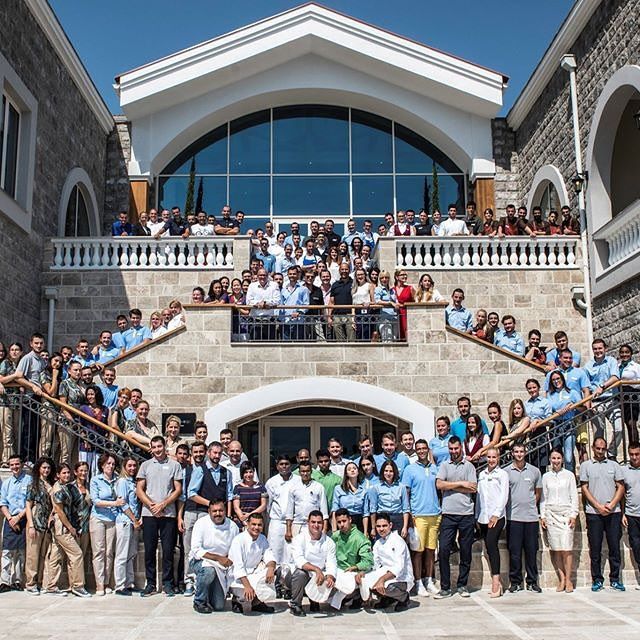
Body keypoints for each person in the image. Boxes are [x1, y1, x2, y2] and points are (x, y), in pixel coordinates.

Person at [136, 435, 183, 597]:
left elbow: (178, 489)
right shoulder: (145, 465)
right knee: (150, 550)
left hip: (168, 514)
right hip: (149, 514)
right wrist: (152, 505)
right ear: (151, 448)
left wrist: (163, 504)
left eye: (159, 446)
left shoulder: (174, 465)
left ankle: (168, 584)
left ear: (164, 447)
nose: (157, 450)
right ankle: (150, 584)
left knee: (168, 551)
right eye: (154, 447)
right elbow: (139, 489)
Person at [579, 437, 625, 592]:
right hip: (594, 513)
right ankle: (597, 579)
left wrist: (611, 504)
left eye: (603, 449)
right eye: (598, 448)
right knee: (595, 548)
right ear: (593, 448)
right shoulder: (586, 466)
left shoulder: (614, 465)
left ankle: (615, 579)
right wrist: (598, 506)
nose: (600, 451)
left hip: (613, 512)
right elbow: (585, 488)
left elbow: (620, 486)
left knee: (614, 547)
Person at [434, 437, 477, 598]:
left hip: (466, 514)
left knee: (465, 551)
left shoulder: (470, 466)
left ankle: (462, 585)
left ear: (461, 448)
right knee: (444, 550)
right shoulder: (445, 465)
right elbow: (439, 485)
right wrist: (462, 484)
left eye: (456, 448)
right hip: (448, 514)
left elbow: (473, 488)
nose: (453, 452)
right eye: (451, 449)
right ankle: (445, 587)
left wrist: (450, 485)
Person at [401, 440, 440, 597]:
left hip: (435, 514)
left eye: (424, 448)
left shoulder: (435, 468)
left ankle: (428, 580)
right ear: (416, 451)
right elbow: (406, 493)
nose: (422, 451)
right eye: (419, 449)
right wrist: (410, 515)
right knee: (418, 551)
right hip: (418, 515)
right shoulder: (410, 469)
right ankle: (417, 582)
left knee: (431, 550)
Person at [189, 499, 239, 613]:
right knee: (208, 572)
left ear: (225, 511)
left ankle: (211, 592)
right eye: (214, 511)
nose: (218, 514)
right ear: (209, 511)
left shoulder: (233, 527)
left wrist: (227, 559)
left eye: (221, 510)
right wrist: (218, 558)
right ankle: (199, 601)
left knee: (219, 606)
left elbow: (235, 548)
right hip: (202, 561)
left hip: (223, 565)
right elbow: (196, 550)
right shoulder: (201, 524)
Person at [540, 449, 579, 593]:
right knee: (556, 548)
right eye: (553, 458)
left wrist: (573, 514)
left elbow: (574, 496)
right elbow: (543, 498)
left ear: (562, 459)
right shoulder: (545, 477)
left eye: (558, 458)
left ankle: (569, 579)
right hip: (551, 514)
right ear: (550, 459)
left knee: (567, 548)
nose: (555, 461)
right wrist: (543, 515)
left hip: (565, 514)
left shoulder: (569, 476)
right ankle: (561, 578)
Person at [505, 443, 542, 593]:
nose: (519, 454)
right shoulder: (506, 471)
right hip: (513, 517)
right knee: (514, 552)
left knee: (531, 551)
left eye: (521, 451)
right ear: (512, 453)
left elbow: (538, 492)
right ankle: (515, 582)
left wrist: (531, 504)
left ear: (525, 453)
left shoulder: (534, 471)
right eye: (516, 452)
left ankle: (532, 582)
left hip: (531, 518)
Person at [359, 512, 414, 611]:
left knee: (388, 587)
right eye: (378, 526)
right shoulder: (378, 544)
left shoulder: (398, 541)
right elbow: (374, 565)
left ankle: (404, 598)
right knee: (365, 580)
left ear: (390, 525)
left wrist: (382, 579)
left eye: (384, 526)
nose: (381, 529)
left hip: (402, 578)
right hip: (385, 573)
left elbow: (399, 568)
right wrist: (363, 572)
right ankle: (387, 598)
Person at [288, 510, 337, 617]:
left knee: (336, 580)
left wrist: (330, 577)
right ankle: (295, 604)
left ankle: (314, 600)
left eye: (319, 522)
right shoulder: (299, 538)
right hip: (300, 575)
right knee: (301, 574)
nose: (316, 525)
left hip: (319, 575)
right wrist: (316, 569)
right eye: (313, 522)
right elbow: (299, 561)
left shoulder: (329, 542)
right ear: (308, 523)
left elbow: (331, 562)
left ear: (323, 524)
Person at [227, 512, 276, 614]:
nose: (256, 527)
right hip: (238, 578)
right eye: (253, 524)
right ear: (247, 524)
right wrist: (248, 586)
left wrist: (271, 568)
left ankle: (257, 603)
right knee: (246, 595)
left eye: (259, 525)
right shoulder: (238, 540)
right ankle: (237, 600)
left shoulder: (262, 538)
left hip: (253, 574)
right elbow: (238, 567)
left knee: (276, 571)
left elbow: (269, 556)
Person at [476, 447, 508, 597]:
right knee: (488, 548)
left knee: (491, 545)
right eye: (489, 457)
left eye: (494, 457)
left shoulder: (502, 474)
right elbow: (479, 497)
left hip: (496, 517)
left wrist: (496, 515)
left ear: (499, 457)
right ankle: (497, 580)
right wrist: (477, 516)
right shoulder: (481, 474)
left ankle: (496, 581)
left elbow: (503, 496)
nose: (491, 460)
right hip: (483, 517)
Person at [89, 453, 123, 595]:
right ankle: (99, 584)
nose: (111, 466)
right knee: (99, 551)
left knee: (109, 552)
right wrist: (113, 503)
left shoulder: (118, 480)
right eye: (108, 463)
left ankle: (107, 581)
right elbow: (96, 500)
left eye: (113, 464)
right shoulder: (96, 480)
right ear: (102, 465)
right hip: (98, 517)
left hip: (113, 518)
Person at [265, 455, 299, 597]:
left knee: (291, 555)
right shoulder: (271, 482)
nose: (284, 466)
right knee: (276, 553)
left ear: (290, 465)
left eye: (286, 464)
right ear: (277, 466)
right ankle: (277, 585)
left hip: (294, 522)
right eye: (281, 464)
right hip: (277, 522)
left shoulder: (297, 480)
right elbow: (268, 504)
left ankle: (289, 586)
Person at [584, 339, 621, 459]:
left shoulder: (611, 361)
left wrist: (602, 386)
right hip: (596, 403)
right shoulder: (588, 366)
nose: (598, 351)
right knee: (598, 434)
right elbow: (586, 387)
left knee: (619, 429)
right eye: (595, 349)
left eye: (600, 348)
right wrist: (588, 405)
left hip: (612, 400)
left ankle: (611, 453)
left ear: (605, 348)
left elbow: (615, 377)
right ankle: (599, 458)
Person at [330, 509, 373, 610]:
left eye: (344, 521)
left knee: (348, 585)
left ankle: (357, 595)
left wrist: (355, 567)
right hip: (337, 572)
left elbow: (368, 561)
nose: (342, 525)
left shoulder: (361, 539)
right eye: (339, 522)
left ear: (350, 520)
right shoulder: (335, 536)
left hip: (352, 574)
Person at [0, 454, 31, 591]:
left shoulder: (29, 480)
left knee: (20, 552)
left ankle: (17, 580)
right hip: (9, 518)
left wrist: (19, 517)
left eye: (17, 464)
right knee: (7, 552)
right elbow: (2, 502)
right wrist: (10, 518)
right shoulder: (7, 483)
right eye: (12, 464)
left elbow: (30, 502)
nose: (14, 467)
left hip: (24, 518)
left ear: (22, 464)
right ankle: (5, 581)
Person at [24, 456, 55, 594]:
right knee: (33, 555)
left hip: (46, 522)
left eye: (48, 468)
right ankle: (30, 583)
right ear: (39, 469)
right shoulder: (34, 484)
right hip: (35, 520)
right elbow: (28, 505)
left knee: (43, 554)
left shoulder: (52, 484)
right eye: (44, 468)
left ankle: (41, 581)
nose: (46, 470)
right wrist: (30, 525)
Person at [114, 456, 141, 596]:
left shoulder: (133, 482)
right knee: (122, 554)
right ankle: (119, 585)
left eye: (134, 466)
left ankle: (129, 583)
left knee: (131, 554)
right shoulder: (122, 482)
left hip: (133, 521)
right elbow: (123, 503)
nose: (132, 468)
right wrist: (134, 519)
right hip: (125, 521)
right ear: (124, 467)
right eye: (129, 466)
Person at [547, 371, 582, 472]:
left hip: (568, 424)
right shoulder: (550, 395)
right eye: (553, 380)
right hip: (555, 426)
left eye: (558, 378)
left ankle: (571, 478)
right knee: (557, 454)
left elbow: (583, 408)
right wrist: (555, 412)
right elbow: (548, 411)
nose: (556, 381)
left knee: (568, 456)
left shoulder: (572, 392)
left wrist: (573, 405)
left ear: (562, 378)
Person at [286, 461, 329, 541]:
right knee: (296, 550)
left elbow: (324, 510)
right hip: (297, 525)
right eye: (303, 471)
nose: (305, 474)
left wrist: (324, 528)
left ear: (311, 471)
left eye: (307, 471)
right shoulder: (293, 488)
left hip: (313, 525)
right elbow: (289, 511)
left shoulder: (319, 487)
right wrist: (288, 530)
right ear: (299, 472)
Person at [622, 442, 640, 589]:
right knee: (636, 545)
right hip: (632, 514)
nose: (634, 457)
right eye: (632, 454)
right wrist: (623, 513)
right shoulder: (624, 471)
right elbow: (622, 493)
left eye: (637, 454)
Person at [331, 462, 367, 531]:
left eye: (354, 468)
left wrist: (365, 531)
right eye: (349, 469)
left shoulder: (363, 490)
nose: (352, 470)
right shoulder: (338, 489)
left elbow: (365, 513)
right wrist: (334, 529)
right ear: (346, 473)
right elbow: (335, 510)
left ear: (358, 472)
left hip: (359, 521)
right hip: (343, 520)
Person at [232, 462, 268, 529]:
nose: (248, 475)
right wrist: (243, 519)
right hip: (241, 522)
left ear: (254, 472)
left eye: (250, 472)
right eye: (246, 472)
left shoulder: (260, 487)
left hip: (256, 522)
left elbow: (263, 505)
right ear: (242, 473)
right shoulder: (237, 488)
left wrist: (249, 515)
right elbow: (236, 507)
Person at [618, 345, 640, 444]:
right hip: (620, 396)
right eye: (622, 352)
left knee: (632, 423)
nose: (624, 354)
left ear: (631, 353)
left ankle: (636, 446)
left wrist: (630, 384)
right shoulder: (617, 366)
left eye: (627, 352)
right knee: (627, 423)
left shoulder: (635, 366)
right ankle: (632, 448)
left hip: (632, 395)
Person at [328, 263, 356, 342]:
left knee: (351, 339)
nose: (344, 271)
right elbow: (331, 302)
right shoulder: (335, 285)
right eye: (342, 269)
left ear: (349, 270)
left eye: (346, 269)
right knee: (340, 341)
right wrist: (329, 317)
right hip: (337, 315)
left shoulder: (354, 283)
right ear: (339, 271)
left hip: (350, 315)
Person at [391, 269, 413, 341]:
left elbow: (415, 301)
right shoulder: (392, 289)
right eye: (402, 275)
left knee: (406, 333)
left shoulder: (410, 288)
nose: (404, 276)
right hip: (395, 314)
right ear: (397, 277)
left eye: (405, 275)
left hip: (406, 314)